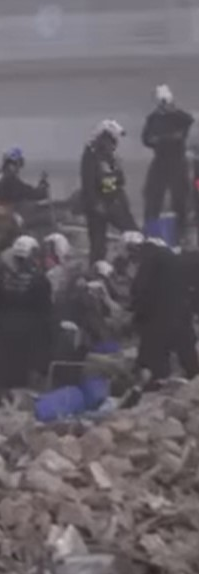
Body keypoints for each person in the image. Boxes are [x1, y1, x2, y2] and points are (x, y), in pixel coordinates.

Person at [0, 236, 53, 412]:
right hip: (26, 337)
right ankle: (8, 414)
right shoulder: (40, 281)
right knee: (17, 379)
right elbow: (46, 315)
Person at [131, 236, 199, 384]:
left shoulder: (152, 259)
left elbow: (138, 289)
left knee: (153, 358)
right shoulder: (179, 261)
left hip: (158, 317)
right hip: (180, 313)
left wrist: (138, 315)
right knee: (187, 352)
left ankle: (153, 381)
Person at [142, 84, 195, 240]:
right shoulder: (153, 118)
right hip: (160, 161)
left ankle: (181, 232)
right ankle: (151, 230)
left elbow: (188, 121)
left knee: (180, 197)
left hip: (177, 161)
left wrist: (172, 111)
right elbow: (146, 139)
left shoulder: (178, 117)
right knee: (153, 196)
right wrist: (163, 139)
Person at [81, 120, 139, 263]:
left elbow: (120, 181)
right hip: (97, 205)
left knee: (134, 233)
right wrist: (96, 203)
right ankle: (96, 271)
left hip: (113, 201)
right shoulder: (90, 155)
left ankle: (137, 261)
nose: (115, 144)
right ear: (104, 138)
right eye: (113, 139)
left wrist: (116, 172)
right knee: (98, 245)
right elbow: (88, 184)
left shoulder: (111, 157)